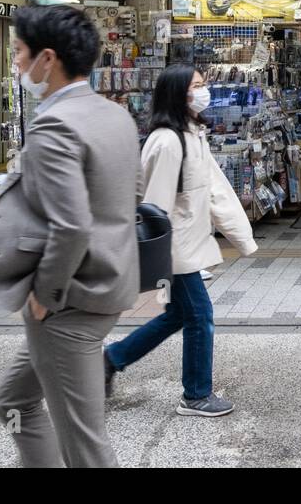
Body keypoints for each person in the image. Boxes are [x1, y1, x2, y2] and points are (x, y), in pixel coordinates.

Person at [0, 5, 139, 468]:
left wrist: (45, 294)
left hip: (69, 301)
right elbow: (127, 198)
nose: (15, 64)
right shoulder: (115, 116)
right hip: (108, 285)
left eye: (17, 53)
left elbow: (71, 225)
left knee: (85, 446)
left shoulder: (54, 125)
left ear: (46, 59)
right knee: (12, 401)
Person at [103, 65, 257, 416]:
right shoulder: (168, 142)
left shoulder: (191, 135)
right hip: (175, 251)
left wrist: (241, 237)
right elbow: (154, 210)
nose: (204, 93)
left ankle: (111, 360)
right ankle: (196, 394)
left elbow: (215, 191)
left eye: (204, 85)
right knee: (200, 315)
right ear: (177, 94)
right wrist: (161, 261)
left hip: (187, 245)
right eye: (197, 87)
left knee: (177, 316)